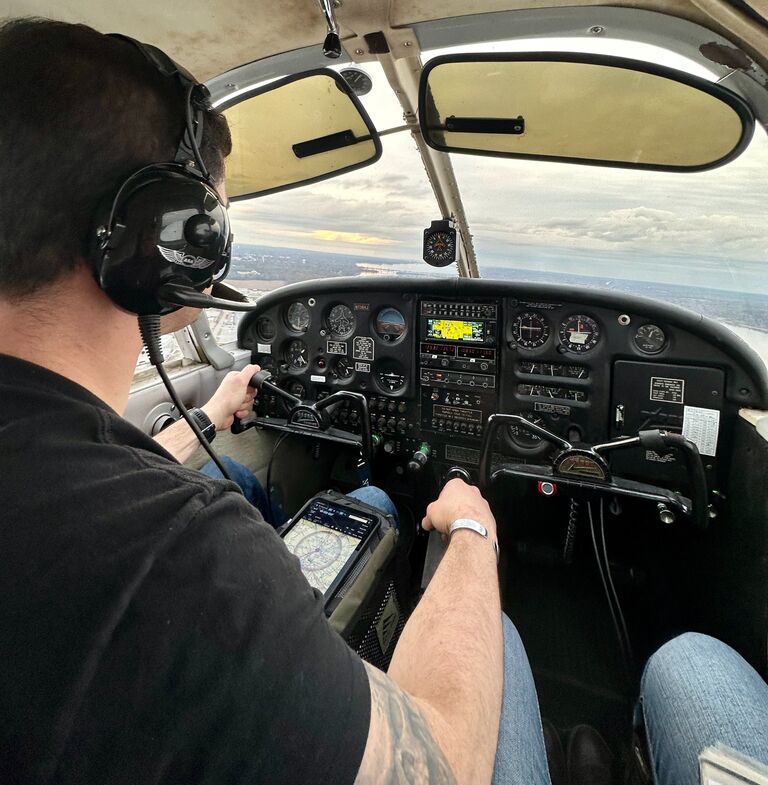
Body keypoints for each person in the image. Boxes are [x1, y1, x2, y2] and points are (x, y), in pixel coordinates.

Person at [0, 18, 510, 785]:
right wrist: (472, 530)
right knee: (494, 630)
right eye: (213, 223)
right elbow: (447, 765)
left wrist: (208, 417)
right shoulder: (178, 561)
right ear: (169, 237)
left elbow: (84, 471)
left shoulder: (65, 482)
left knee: (236, 477)